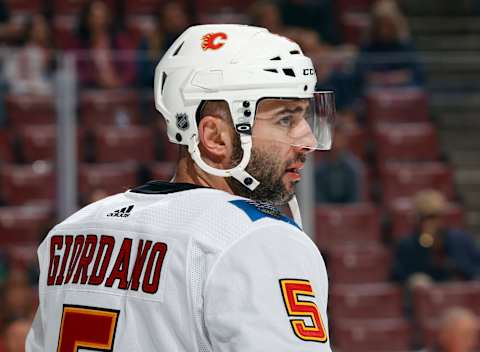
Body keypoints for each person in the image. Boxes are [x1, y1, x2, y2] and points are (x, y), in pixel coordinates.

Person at [26, 24, 335, 351]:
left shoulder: (70, 234)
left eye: (303, 117)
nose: (308, 140)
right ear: (215, 137)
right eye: (285, 119)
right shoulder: (257, 240)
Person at [392, 190, 480, 284]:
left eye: (433, 216)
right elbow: (398, 278)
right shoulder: (407, 246)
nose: (429, 222)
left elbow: (475, 267)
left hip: (461, 294)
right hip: (427, 296)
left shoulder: (461, 240)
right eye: (424, 217)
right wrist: (413, 281)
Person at [353, 0, 424, 92]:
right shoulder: (368, 46)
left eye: (388, 25)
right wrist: (380, 78)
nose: (384, 30)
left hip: (402, 88)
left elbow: (415, 73)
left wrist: (395, 78)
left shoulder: (405, 45)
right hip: (375, 89)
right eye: (381, 24)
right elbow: (361, 73)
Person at [68, 0, 136, 89]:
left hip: (120, 89)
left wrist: (119, 82)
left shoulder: (120, 40)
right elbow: (74, 70)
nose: (98, 21)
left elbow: (130, 69)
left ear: (108, 18)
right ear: (86, 19)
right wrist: (96, 79)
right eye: (94, 17)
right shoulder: (77, 42)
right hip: (89, 89)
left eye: (101, 17)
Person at [4, 14, 56, 95]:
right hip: (27, 90)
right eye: (38, 27)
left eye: (44, 26)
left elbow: (54, 80)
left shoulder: (54, 52)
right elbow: (9, 77)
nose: (42, 30)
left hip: (47, 90)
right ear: (30, 31)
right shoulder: (22, 52)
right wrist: (29, 87)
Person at [315, 122, 364, 204]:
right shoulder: (318, 169)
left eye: (340, 138)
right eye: (334, 138)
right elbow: (318, 198)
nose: (337, 142)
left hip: (349, 212)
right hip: (324, 212)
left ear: (345, 140)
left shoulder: (354, 168)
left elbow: (355, 199)